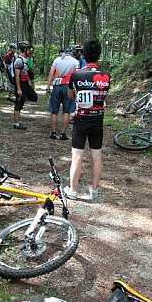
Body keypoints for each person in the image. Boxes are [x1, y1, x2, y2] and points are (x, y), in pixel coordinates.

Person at [64, 39, 111, 201]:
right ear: (99, 56)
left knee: (77, 156)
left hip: (81, 120)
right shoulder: (106, 76)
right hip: (97, 120)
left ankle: (73, 190)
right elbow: (104, 96)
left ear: (82, 53)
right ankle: (94, 190)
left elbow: (71, 96)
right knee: (96, 156)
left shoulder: (76, 74)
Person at [46, 47, 79, 140]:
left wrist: (48, 87)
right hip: (68, 86)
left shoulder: (57, 60)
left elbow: (50, 73)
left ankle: (53, 132)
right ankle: (63, 134)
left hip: (57, 86)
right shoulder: (75, 62)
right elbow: (76, 75)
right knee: (67, 111)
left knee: (54, 110)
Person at [12, 41, 38, 130]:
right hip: (21, 84)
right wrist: (19, 89)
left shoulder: (26, 59)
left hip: (26, 83)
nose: (30, 51)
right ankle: (16, 123)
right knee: (18, 104)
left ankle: (20, 99)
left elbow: (30, 69)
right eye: (29, 50)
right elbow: (17, 75)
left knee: (34, 97)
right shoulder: (19, 60)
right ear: (25, 50)